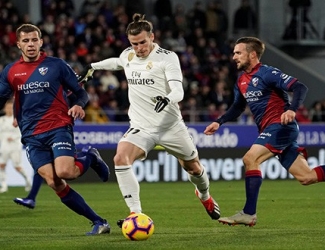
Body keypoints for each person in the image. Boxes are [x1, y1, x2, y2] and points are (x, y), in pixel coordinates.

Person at [78, 13, 221, 226]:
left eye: (143, 42)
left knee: (194, 169)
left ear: (152, 37)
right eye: (134, 44)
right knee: (120, 158)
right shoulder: (129, 55)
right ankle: (135, 214)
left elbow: (178, 91)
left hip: (170, 126)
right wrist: (93, 66)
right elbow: (117, 62)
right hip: (141, 127)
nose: (139, 48)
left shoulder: (167, 57)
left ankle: (205, 196)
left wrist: (168, 98)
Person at [204, 37, 325, 227]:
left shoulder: (267, 73)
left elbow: (300, 87)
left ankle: (249, 213)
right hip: (272, 129)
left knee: (251, 159)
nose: (234, 57)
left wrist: (291, 110)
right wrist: (219, 121)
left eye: (238, 53)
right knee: (307, 177)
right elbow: (238, 107)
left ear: (252, 54)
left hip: (281, 126)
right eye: (234, 53)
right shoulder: (241, 80)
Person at [0, 23, 111, 235]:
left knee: (65, 172)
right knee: (53, 181)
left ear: (41, 42)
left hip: (58, 126)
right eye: (26, 41)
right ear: (18, 44)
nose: (30, 44)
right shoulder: (11, 71)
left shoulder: (56, 65)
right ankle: (99, 222)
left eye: (34, 40)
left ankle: (91, 157)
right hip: (31, 135)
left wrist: (78, 104)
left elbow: (81, 93)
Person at [0, 99, 32, 193]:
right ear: (5, 108)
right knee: (1, 165)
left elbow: (22, 133)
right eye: (7, 107)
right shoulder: (1, 120)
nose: (9, 109)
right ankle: (4, 186)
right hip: (4, 146)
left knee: (17, 166)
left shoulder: (18, 119)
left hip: (15, 146)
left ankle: (28, 181)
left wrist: (13, 138)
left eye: (11, 107)